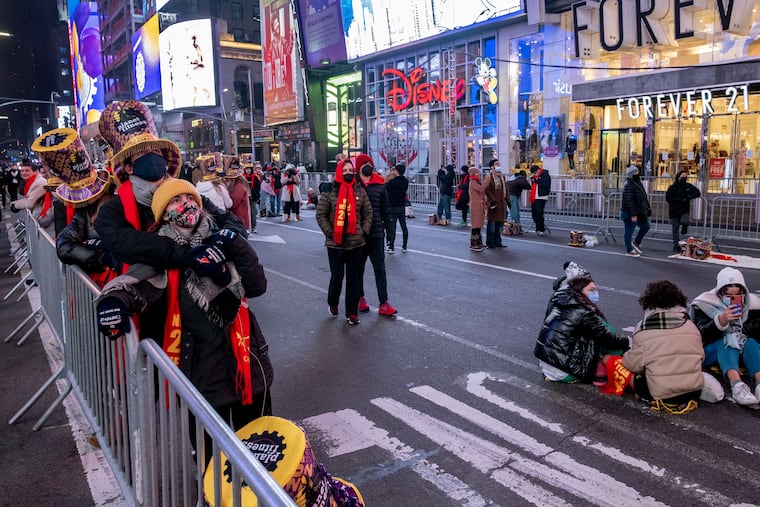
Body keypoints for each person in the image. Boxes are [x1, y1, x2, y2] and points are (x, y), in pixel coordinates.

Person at [95, 178, 273, 454]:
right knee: (209, 455)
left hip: (248, 363)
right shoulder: (163, 255)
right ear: (164, 213)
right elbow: (132, 286)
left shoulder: (222, 238)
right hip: (201, 373)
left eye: (190, 199)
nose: (186, 205)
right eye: (176, 201)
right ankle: (213, 496)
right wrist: (113, 303)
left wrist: (235, 244)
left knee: (260, 449)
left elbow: (257, 286)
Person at [94, 100, 244, 277]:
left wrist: (220, 243)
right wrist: (187, 255)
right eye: (142, 153)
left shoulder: (187, 195)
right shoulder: (112, 210)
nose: (152, 157)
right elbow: (126, 244)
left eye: (156, 152)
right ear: (129, 168)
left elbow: (231, 222)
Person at [613, 280, 705, 414]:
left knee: (614, 364)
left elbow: (632, 365)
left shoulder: (643, 329)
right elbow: (700, 358)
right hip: (695, 392)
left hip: (663, 396)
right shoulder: (690, 325)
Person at [534, 262, 630, 383]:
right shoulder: (582, 312)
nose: (595, 293)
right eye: (591, 290)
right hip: (563, 372)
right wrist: (628, 341)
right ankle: (618, 360)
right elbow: (607, 337)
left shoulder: (561, 301)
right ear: (579, 291)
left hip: (548, 363)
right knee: (604, 335)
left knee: (596, 330)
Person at [690, 267, 760, 406]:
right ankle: (736, 385)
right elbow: (699, 335)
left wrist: (742, 326)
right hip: (713, 351)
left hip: (741, 352)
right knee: (727, 341)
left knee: (750, 342)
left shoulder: (752, 304)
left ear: (744, 293)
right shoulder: (704, 304)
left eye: (738, 296)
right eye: (728, 296)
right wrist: (720, 321)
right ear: (720, 293)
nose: (733, 300)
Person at [315, 158, 372, 325]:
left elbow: (368, 212)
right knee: (337, 276)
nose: (348, 173)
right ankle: (333, 302)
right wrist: (330, 232)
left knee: (353, 279)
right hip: (335, 243)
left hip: (356, 242)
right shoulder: (330, 192)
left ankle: (351, 313)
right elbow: (321, 215)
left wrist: (364, 230)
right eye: (345, 170)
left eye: (350, 170)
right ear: (339, 172)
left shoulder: (359, 191)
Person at [354, 154, 397, 317]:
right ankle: (360, 298)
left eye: (370, 163)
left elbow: (386, 210)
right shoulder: (353, 185)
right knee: (358, 269)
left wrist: (390, 232)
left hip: (377, 233)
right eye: (364, 164)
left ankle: (383, 302)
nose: (368, 166)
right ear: (358, 167)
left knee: (380, 269)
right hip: (358, 235)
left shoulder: (380, 185)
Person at [665, 170, 701, 253]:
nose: (684, 177)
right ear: (678, 177)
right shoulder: (673, 187)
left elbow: (697, 192)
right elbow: (668, 198)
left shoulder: (688, 186)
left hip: (684, 210)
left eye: (685, 176)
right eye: (682, 176)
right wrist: (678, 200)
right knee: (675, 228)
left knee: (685, 221)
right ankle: (676, 245)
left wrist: (689, 196)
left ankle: (684, 228)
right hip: (674, 210)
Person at [620, 164, 651, 257]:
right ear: (632, 174)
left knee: (646, 226)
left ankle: (636, 242)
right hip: (629, 212)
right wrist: (633, 215)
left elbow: (643, 197)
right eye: (636, 172)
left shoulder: (637, 183)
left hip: (638, 212)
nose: (638, 173)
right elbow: (629, 201)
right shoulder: (629, 185)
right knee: (629, 230)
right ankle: (629, 249)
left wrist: (647, 208)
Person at [385, 163, 409, 254]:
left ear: (397, 171)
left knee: (392, 227)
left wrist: (388, 175)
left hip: (393, 206)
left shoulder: (392, 182)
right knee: (404, 226)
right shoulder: (405, 181)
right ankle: (404, 246)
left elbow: (386, 186)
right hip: (401, 205)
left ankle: (391, 246)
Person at [223, 155, 252, 231]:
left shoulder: (238, 186)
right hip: (237, 221)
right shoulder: (238, 185)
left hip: (238, 222)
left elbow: (232, 204)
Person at [484, 158, 508, 248]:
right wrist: (492, 200)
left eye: (499, 164)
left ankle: (498, 242)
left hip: (501, 203)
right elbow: (488, 190)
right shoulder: (489, 177)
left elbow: (506, 190)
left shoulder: (502, 176)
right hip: (493, 204)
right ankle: (490, 242)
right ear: (492, 167)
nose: (498, 166)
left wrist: (508, 201)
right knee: (492, 224)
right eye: (496, 164)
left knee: (499, 225)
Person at [467, 166, 486, 252]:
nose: (479, 174)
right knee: (475, 224)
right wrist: (487, 180)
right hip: (475, 205)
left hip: (479, 205)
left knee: (478, 224)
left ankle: (478, 241)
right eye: (478, 173)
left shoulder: (477, 181)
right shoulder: (473, 182)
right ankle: (474, 243)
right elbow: (481, 189)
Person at [529, 164, 550, 235]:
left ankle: (541, 229)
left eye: (535, 173)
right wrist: (533, 180)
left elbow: (545, 184)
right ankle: (538, 227)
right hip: (534, 196)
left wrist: (537, 180)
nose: (535, 174)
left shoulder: (545, 174)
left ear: (538, 170)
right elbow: (533, 185)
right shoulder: (535, 176)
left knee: (539, 213)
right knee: (534, 213)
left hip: (541, 196)